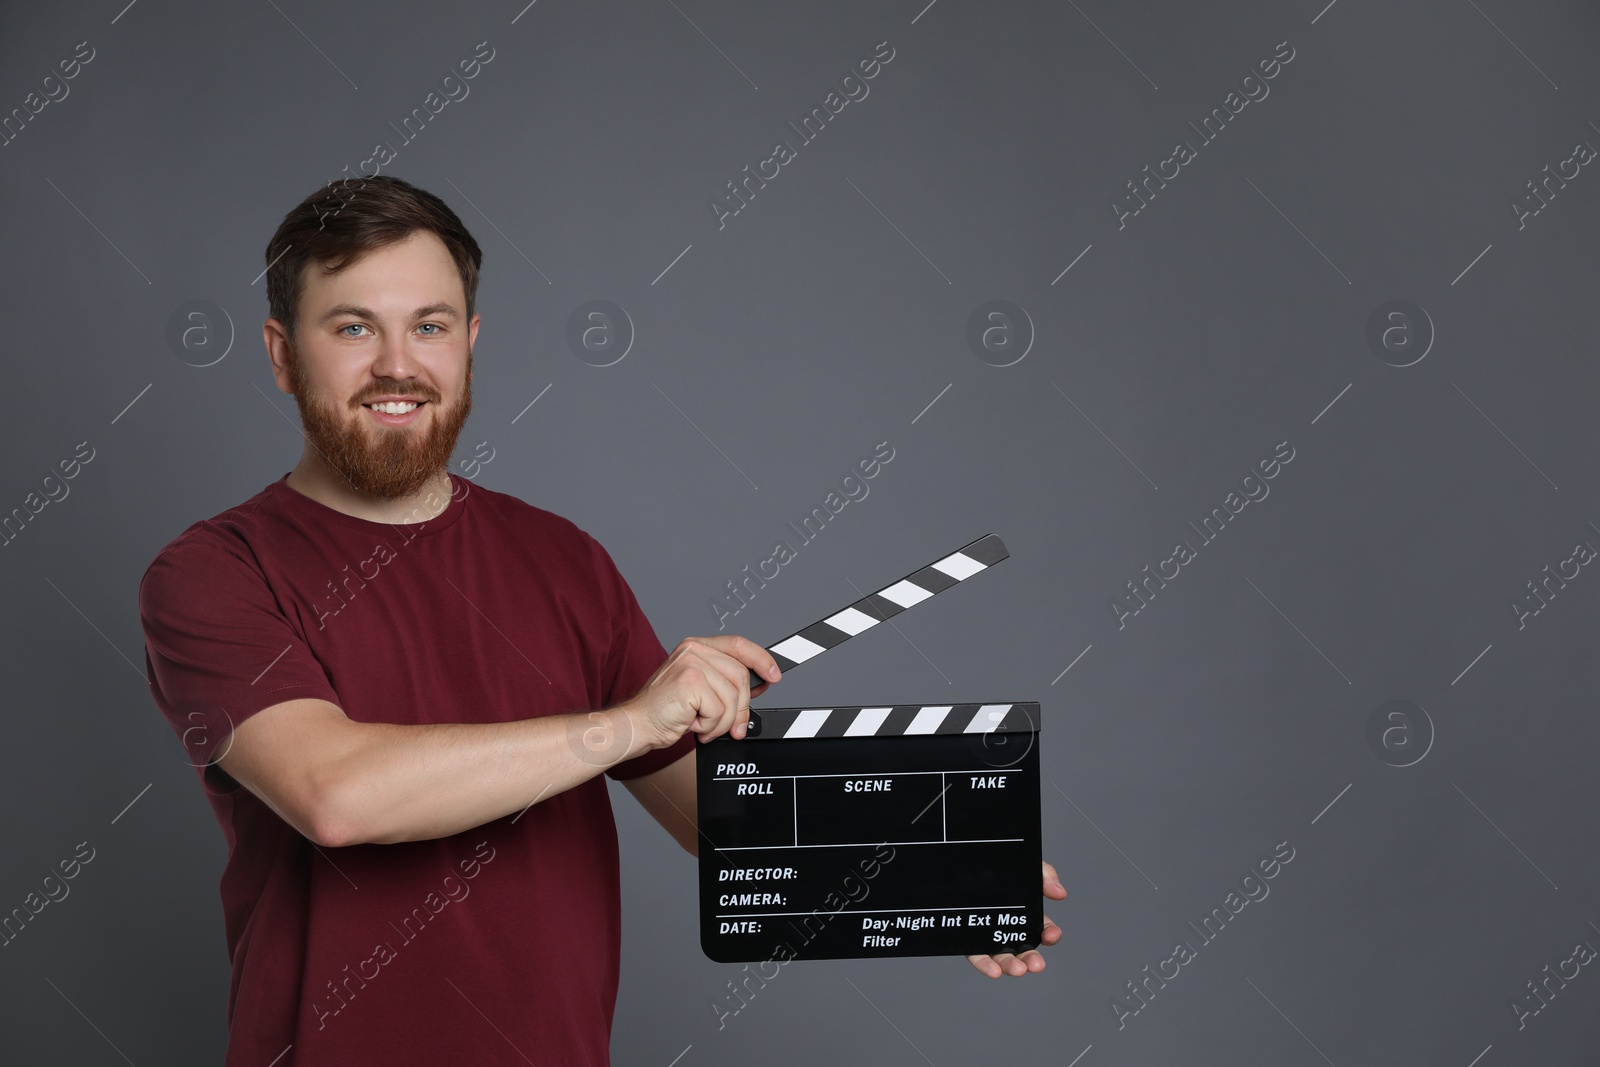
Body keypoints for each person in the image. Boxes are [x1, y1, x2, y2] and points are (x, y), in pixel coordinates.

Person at [138, 174, 1065, 1066]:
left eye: (430, 325)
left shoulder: (562, 560)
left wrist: (946, 877)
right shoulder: (214, 573)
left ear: (469, 340)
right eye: (353, 327)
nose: (398, 364)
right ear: (281, 353)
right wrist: (628, 722)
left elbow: (723, 823)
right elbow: (335, 796)